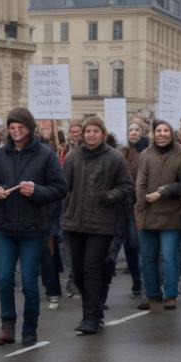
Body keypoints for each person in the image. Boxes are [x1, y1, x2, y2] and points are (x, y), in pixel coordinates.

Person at [0, 108, 67, 347]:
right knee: (5, 279)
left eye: (21, 127)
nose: (16, 131)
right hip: (5, 226)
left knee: (29, 281)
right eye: (12, 127)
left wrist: (37, 191)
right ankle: (7, 325)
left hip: (34, 228)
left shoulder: (45, 154)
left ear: (30, 129)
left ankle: (30, 328)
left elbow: (60, 188)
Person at [61, 117, 134, 335]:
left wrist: (112, 195)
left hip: (102, 222)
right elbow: (63, 188)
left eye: (95, 131)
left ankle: (90, 317)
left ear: (103, 133)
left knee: (91, 267)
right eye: (88, 131)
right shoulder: (73, 156)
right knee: (77, 271)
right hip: (74, 222)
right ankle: (95, 307)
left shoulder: (115, 157)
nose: (91, 134)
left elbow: (127, 186)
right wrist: (63, 214)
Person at [134, 120, 181, 310]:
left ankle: (171, 294)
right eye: (158, 130)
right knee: (148, 258)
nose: (162, 134)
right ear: (153, 134)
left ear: (172, 134)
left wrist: (163, 193)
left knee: (168, 256)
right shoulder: (146, 154)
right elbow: (140, 180)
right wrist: (141, 202)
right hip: (147, 213)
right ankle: (152, 295)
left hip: (172, 215)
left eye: (166, 130)